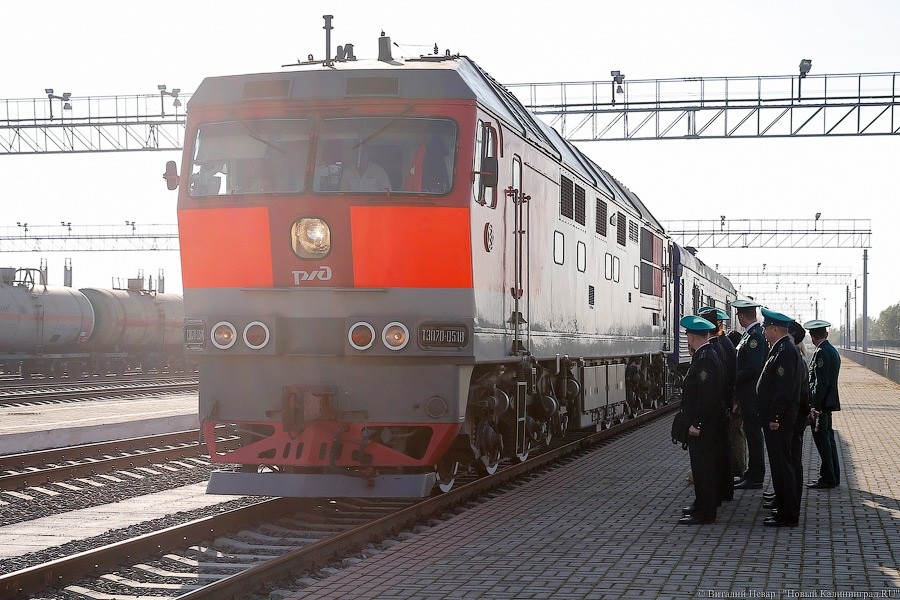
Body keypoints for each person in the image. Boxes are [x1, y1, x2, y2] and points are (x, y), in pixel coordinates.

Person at [756, 307, 803, 527]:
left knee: (784, 466)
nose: (764, 331)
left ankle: (787, 514)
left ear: (775, 329)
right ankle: (783, 507)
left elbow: (784, 389)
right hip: (778, 419)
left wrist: (775, 415)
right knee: (780, 465)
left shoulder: (785, 351)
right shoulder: (781, 348)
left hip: (780, 420)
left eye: (766, 327)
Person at [678, 315, 724, 525]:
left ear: (692, 337)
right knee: (703, 467)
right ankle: (702, 505)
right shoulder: (705, 354)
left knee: (703, 467)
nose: (687, 338)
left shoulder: (705, 359)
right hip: (707, 423)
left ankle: (705, 513)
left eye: (687, 335)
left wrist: (697, 423)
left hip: (703, 426)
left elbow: (706, 397)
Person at [698, 306, 739, 503]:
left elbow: (718, 382)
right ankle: (725, 489)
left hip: (718, 406)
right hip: (724, 404)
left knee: (717, 451)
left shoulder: (715, 347)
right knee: (723, 449)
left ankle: (718, 492)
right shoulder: (725, 343)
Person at [732, 299, 768, 490]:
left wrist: (733, 378)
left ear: (742, 316)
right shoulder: (750, 335)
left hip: (751, 394)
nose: (738, 318)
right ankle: (751, 472)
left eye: (738, 314)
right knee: (751, 433)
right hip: (747, 393)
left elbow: (754, 367)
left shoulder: (755, 337)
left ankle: (756, 476)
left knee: (754, 435)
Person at [804, 319, 841, 489]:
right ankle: (833, 475)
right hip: (829, 403)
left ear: (812, 337)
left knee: (823, 441)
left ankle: (827, 478)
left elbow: (820, 383)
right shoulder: (832, 350)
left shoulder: (821, 353)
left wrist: (815, 406)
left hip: (822, 405)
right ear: (826, 334)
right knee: (829, 440)